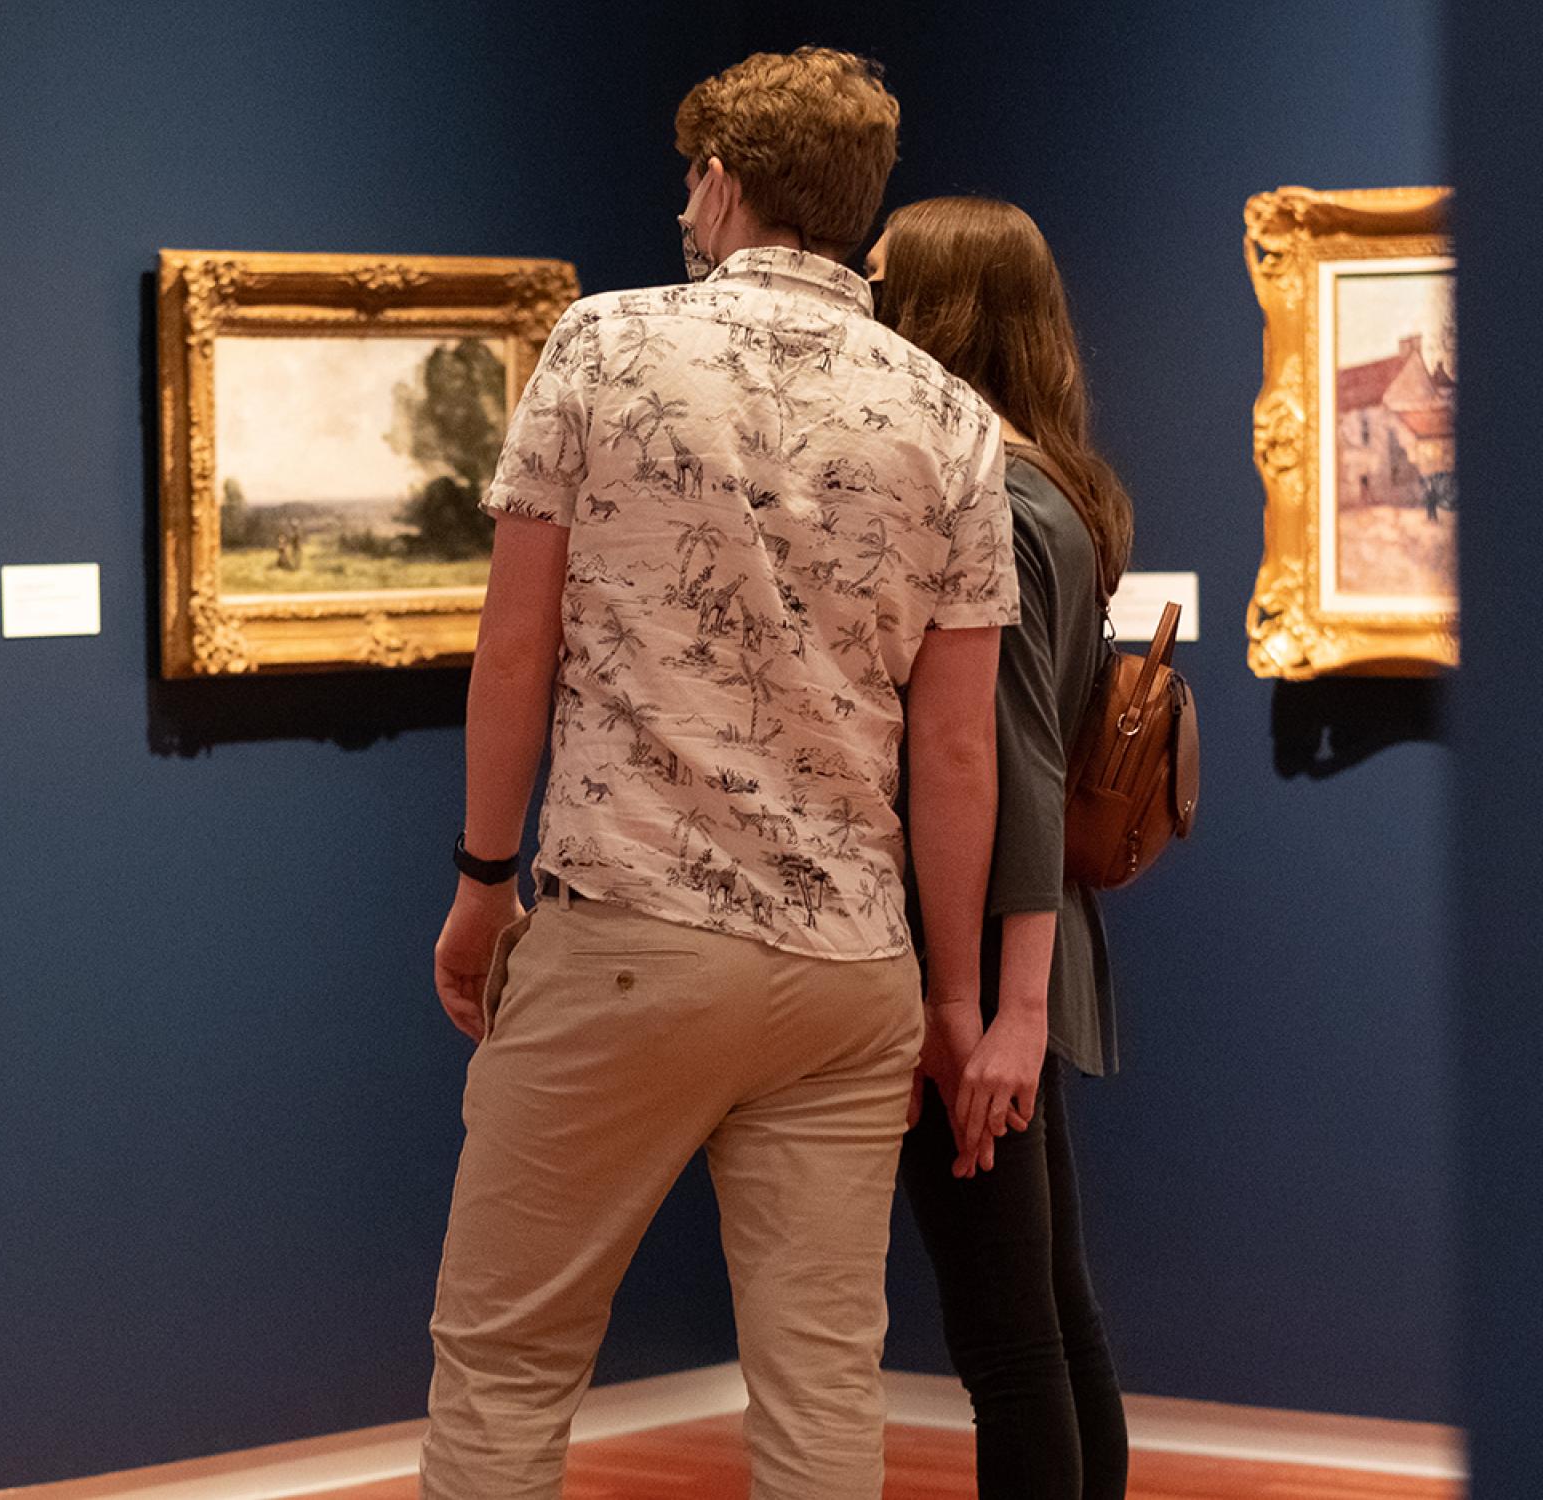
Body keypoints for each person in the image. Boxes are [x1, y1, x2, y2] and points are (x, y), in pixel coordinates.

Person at [422, 49, 1020, 1499]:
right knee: (823, 1391)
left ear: (725, 184)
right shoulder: (949, 417)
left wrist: (482, 881)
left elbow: (514, 653)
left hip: (627, 928)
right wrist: (953, 997)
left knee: (505, 1366)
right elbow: (953, 747)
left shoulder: (606, 347)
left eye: (695, 177)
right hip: (847, 972)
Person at [870, 197, 1135, 1500]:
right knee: (1048, 1314)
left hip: (982, 949)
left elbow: (1015, 765)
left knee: (1009, 1342)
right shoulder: (1054, 486)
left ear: (933, 312)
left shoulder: (1005, 509)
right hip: (1018, 944)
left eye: (877, 281)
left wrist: (1000, 1012)